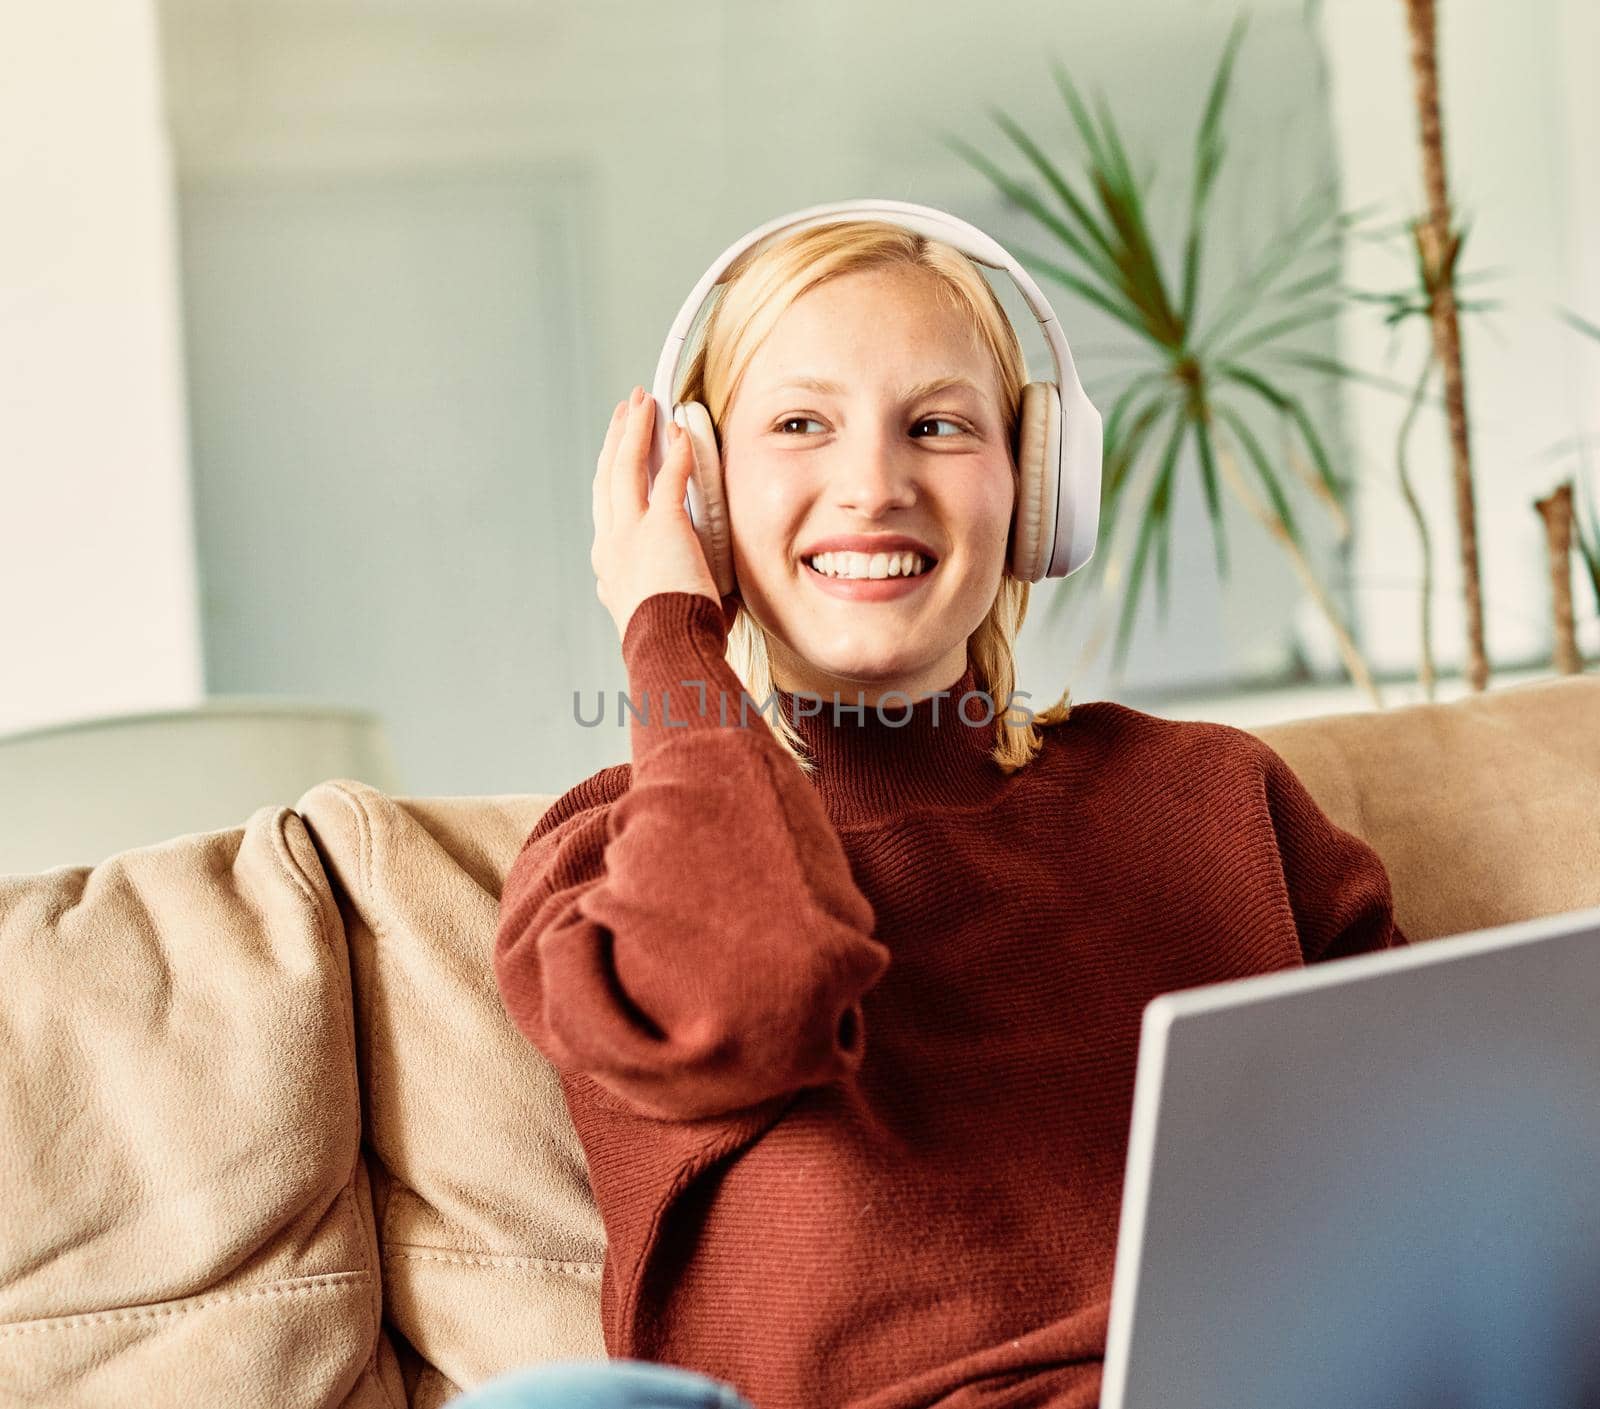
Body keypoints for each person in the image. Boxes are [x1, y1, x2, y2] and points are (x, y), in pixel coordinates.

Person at [475, 217, 1407, 1409]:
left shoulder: (1213, 797)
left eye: (938, 425)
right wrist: (667, 625)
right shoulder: (607, 861)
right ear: (697, 497)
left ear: (1036, 484)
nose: (874, 483)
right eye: (800, 424)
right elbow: (751, 999)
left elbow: (1435, 1181)